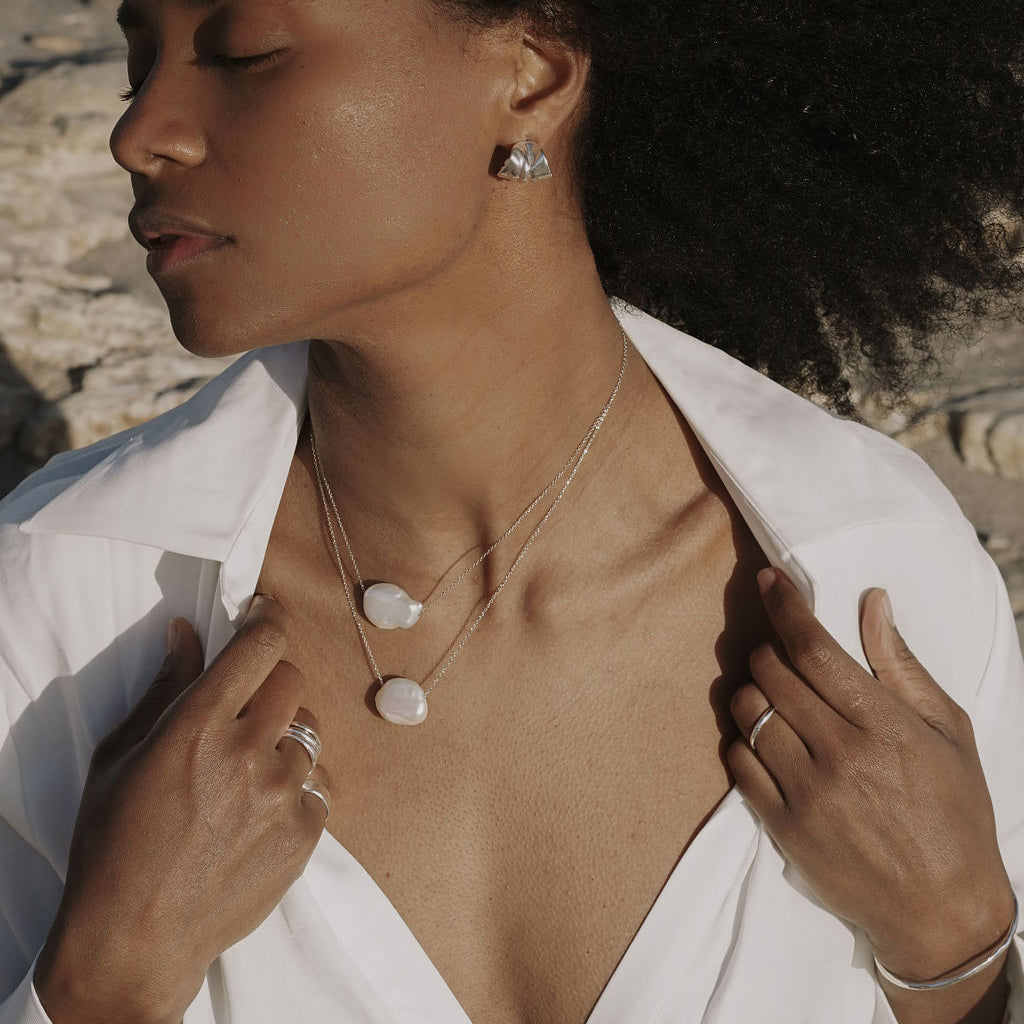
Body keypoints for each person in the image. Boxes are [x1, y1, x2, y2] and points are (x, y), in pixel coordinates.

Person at [0, 1, 1022, 1022]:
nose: (139, 132)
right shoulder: (63, 604)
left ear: (532, 74)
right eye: (137, 64)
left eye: (243, 54)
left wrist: (956, 944)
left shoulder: (875, 569)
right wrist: (102, 980)